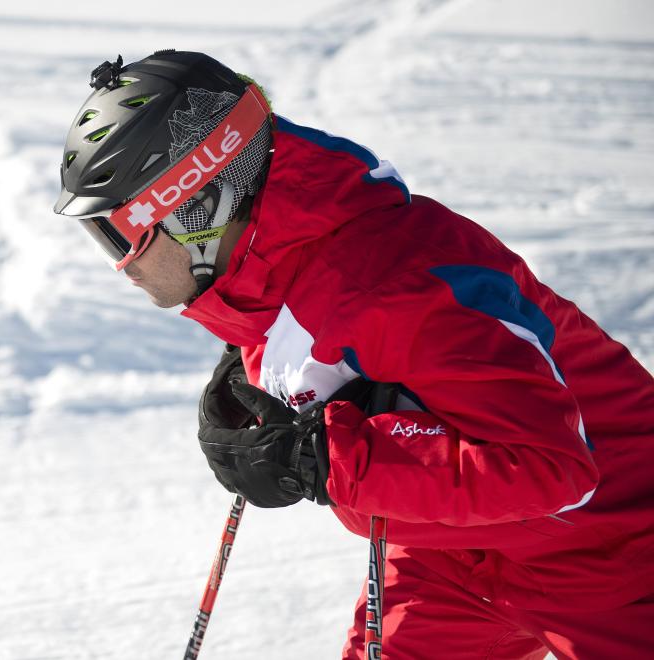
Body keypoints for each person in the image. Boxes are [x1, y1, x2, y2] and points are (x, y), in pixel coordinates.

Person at [52, 50, 654, 658]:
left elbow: (554, 469)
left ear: (198, 211)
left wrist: (323, 459)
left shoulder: (401, 287)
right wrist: (255, 371)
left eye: (121, 236)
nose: (122, 267)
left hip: (617, 549)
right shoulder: (268, 263)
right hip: (451, 556)